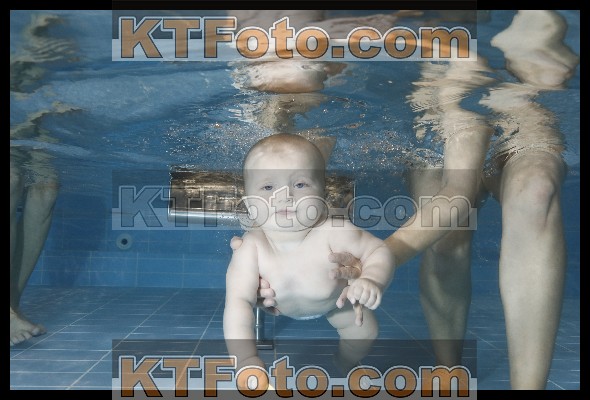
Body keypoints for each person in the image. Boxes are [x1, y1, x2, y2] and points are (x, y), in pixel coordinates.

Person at [232, 10, 579, 389]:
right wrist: (274, 248)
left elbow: (457, 193)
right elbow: (293, 165)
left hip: (497, 97)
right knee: (446, 236)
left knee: (534, 189)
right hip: (432, 95)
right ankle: (449, 371)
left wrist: (372, 266)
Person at [223, 133, 395, 379]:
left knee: (365, 333)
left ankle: (344, 361)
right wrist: (245, 358)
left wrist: (372, 279)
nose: (285, 196)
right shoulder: (251, 247)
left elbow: (378, 250)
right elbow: (237, 304)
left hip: (336, 303)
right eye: (268, 187)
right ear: (249, 203)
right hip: (283, 308)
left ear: (322, 194)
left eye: (300, 184)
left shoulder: (335, 231)